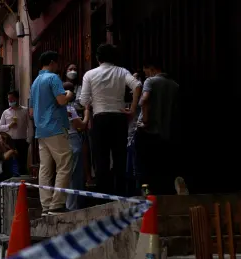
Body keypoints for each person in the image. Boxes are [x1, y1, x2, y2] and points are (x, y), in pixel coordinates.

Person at [79, 43, 142, 196]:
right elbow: (137, 85)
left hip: (100, 118)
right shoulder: (122, 71)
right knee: (120, 156)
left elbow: (83, 100)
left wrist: (94, 102)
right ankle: (121, 193)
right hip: (119, 117)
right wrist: (133, 109)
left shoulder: (90, 74)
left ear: (97, 58)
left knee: (101, 158)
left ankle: (103, 195)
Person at [31, 50, 74, 215]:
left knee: (45, 168)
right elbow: (62, 100)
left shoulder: (35, 82)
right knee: (64, 164)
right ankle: (57, 203)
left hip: (41, 129)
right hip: (55, 126)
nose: (58, 66)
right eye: (56, 63)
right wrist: (69, 94)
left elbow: (30, 111)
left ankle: (46, 205)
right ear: (51, 62)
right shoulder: (53, 78)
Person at [135, 57, 179, 195]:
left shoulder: (151, 81)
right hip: (165, 133)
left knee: (144, 166)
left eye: (147, 72)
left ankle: (146, 194)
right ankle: (164, 193)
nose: (146, 75)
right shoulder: (174, 85)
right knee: (162, 166)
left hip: (148, 132)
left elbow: (145, 100)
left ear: (152, 69)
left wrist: (145, 121)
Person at [63, 81, 88, 210]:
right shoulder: (69, 109)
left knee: (67, 173)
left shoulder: (55, 108)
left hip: (61, 140)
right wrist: (87, 112)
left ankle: (71, 204)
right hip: (73, 139)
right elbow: (81, 125)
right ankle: (72, 206)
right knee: (75, 175)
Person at [0, 90, 29, 176]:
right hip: (9, 141)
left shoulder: (25, 111)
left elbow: (30, 125)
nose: (10, 101)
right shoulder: (6, 112)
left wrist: (29, 138)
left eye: (12, 99)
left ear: (17, 99)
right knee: (10, 161)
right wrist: (9, 126)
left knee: (22, 161)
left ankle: (22, 178)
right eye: (9, 100)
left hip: (22, 140)